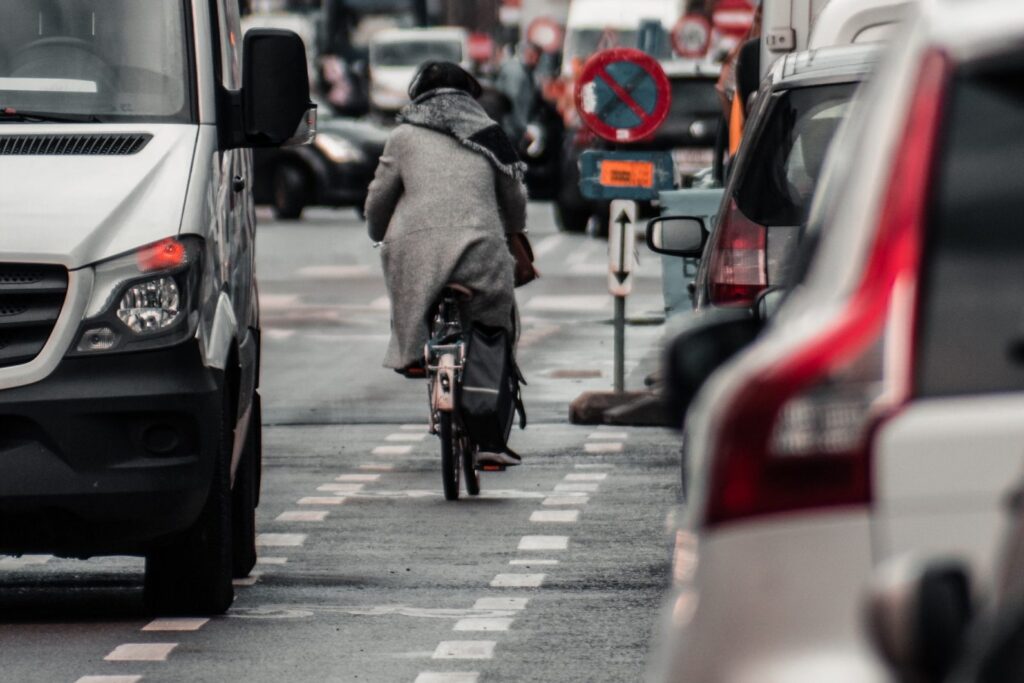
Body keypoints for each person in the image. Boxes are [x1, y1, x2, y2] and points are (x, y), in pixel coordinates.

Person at [365, 60, 527, 385]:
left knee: (410, 289)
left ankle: (412, 350)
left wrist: (377, 232)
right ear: (470, 97)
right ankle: (487, 383)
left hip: (416, 254)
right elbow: (515, 197)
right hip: (480, 252)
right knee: (491, 325)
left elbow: (379, 198)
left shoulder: (402, 136)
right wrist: (513, 229)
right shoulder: (490, 135)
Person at [494, 42, 542, 146]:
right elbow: (512, 102)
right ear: (527, 53)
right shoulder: (516, 72)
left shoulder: (525, 71)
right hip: (508, 130)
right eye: (535, 56)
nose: (536, 61)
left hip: (510, 128)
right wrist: (522, 128)